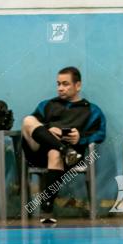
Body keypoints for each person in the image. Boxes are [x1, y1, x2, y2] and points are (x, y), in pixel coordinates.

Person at [22, 66, 106, 225]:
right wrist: (47, 130)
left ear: (78, 85)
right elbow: (33, 127)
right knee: (27, 120)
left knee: (54, 153)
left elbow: (100, 134)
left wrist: (80, 138)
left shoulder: (92, 110)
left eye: (65, 84)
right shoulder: (46, 105)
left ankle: (47, 210)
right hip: (38, 150)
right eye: (58, 84)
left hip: (71, 157)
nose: (60, 88)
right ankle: (63, 149)